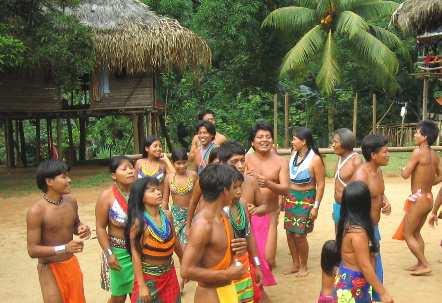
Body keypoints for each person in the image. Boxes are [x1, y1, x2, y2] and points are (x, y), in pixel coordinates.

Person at [181, 164, 247, 303]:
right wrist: (226, 274)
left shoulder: (223, 214)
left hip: (227, 290)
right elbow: (186, 270)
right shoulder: (203, 225)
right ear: (224, 191)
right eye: (234, 187)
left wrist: (237, 249)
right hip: (209, 295)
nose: (238, 192)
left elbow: (217, 254)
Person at [27, 160, 91, 303]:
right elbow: (32, 250)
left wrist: (81, 228)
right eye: (63, 177)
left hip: (71, 264)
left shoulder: (71, 201)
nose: (69, 180)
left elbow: (75, 224)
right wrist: (65, 248)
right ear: (49, 181)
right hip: (48, 268)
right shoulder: (36, 212)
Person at [218, 141, 270, 301]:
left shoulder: (241, 202)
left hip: (244, 260)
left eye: (242, 160)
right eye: (234, 162)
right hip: (223, 266)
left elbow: (249, 235)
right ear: (222, 164)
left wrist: (256, 264)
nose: (240, 165)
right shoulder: (214, 201)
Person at [393, 120, 440, 275]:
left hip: (418, 199)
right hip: (428, 198)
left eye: (417, 132)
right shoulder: (434, 155)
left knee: (407, 233)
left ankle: (425, 264)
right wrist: (429, 182)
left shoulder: (418, 152)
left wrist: (402, 170)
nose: (414, 135)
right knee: (416, 232)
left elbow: (406, 175)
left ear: (424, 136)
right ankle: (420, 263)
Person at [126, 176, 183, 303]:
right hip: (149, 279)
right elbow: (135, 255)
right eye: (152, 190)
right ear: (141, 197)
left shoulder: (167, 216)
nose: (158, 192)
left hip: (169, 275)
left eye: (158, 189)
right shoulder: (139, 224)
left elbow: (175, 241)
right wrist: (142, 286)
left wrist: (183, 260)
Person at [335, 181, 393, 303]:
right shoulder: (358, 233)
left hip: (352, 281)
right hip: (354, 283)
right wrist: (383, 293)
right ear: (366, 203)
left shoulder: (347, 225)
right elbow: (365, 266)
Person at [351, 134, 391, 302]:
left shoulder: (378, 170)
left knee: (374, 259)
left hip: (373, 227)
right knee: (365, 264)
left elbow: (379, 193)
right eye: (385, 151)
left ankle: (375, 294)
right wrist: (364, 235)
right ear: (373, 155)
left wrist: (385, 201)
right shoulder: (361, 176)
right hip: (363, 228)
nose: (388, 154)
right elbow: (354, 207)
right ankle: (372, 295)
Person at [245, 122, 288, 272]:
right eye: (260, 137)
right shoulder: (245, 159)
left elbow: (285, 188)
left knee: (268, 259)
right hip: (249, 213)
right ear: (252, 142)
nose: (264, 140)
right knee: (251, 255)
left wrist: (268, 183)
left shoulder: (281, 161)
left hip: (270, 213)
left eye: (268, 137)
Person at [284, 127, 325, 277]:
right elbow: (288, 177)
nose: (292, 141)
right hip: (291, 197)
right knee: (289, 232)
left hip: (307, 199)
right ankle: (295, 263)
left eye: (295, 138)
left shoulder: (315, 159)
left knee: (299, 235)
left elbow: (320, 184)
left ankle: (304, 266)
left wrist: (316, 207)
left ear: (304, 141)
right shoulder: (293, 154)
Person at [95, 156, 136, 302]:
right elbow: (100, 228)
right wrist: (109, 254)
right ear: (114, 175)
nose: (130, 171)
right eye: (124, 169)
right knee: (119, 296)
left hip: (140, 250)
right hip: (119, 253)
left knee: (139, 294)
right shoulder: (106, 197)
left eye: (131, 168)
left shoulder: (141, 192)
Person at [162, 147, 197, 246]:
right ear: (173, 163)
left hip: (192, 214)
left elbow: (198, 198)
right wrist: (163, 218)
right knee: (177, 245)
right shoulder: (169, 178)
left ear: (187, 162)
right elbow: (165, 200)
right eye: (178, 163)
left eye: (184, 162)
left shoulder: (193, 176)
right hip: (175, 217)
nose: (182, 166)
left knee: (190, 243)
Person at [331, 128, 362, 230]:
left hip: (351, 209)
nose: (333, 145)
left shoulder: (356, 160)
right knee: (339, 238)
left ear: (345, 143)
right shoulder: (340, 158)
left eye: (335, 142)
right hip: (338, 205)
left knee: (351, 238)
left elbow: (362, 188)